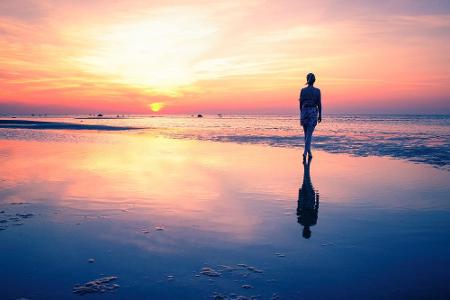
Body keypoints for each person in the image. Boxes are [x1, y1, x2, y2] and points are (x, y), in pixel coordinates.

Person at [299, 73, 322, 161]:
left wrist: (301, 113)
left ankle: (309, 152)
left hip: (304, 111)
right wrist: (320, 114)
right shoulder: (317, 91)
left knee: (306, 134)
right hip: (312, 111)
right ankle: (305, 152)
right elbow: (319, 103)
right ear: (314, 80)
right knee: (309, 134)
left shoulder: (303, 90)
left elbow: (300, 104)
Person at [297, 158, 319, 239]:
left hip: (307, 200)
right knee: (306, 180)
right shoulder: (302, 221)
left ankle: (307, 164)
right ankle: (306, 164)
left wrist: (317, 198)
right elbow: (298, 207)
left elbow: (316, 209)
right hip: (308, 200)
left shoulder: (309, 222)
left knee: (306, 180)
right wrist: (317, 197)